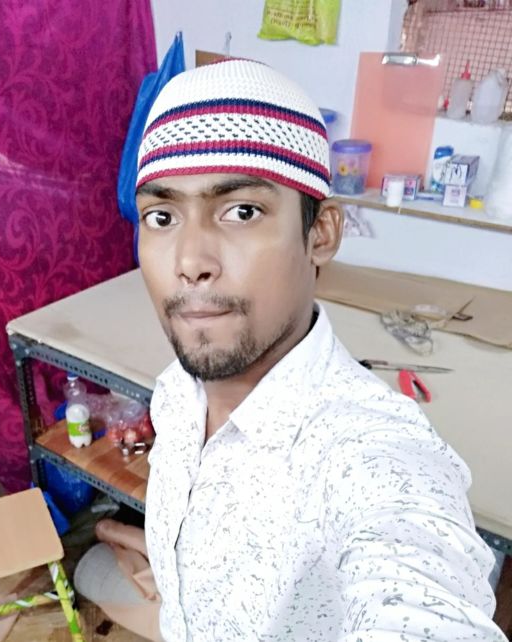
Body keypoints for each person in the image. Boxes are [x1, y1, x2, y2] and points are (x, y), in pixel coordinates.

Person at [75, 59, 505, 641]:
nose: (190, 261)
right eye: (162, 216)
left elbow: (421, 593)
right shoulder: (177, 391)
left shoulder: (371, 455)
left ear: (320, 233)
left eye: (242, 211)